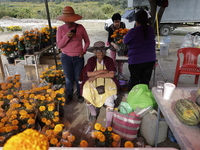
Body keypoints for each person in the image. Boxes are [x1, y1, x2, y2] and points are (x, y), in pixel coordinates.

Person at [56, 6, 90, 104]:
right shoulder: (61, 29)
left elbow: (87, 41)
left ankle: (79, 95)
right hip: (65, 57)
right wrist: (66, 36)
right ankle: (69, 95)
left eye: (70, 19)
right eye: (66, 20)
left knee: (78, 77)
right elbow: (59, 45)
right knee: (68, 78)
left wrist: (83, 51)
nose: (68, 21)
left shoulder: (80, 27)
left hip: (78, 57)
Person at [80, 41, 118, 127]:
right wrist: (103, 71)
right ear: (94, 52)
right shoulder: (91, 60)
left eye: (102, 50)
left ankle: (108, 125)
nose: (100, 53)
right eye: (97, 50)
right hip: (92, 81)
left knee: (110, 100)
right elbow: (89, 74)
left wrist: (96, 76)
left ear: (105, 51)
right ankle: (93, 113)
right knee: (86, 93)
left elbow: (111, 74)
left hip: (107, 81)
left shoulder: (109, 60)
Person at [123, 10, 156, 90]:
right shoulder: (151, 29)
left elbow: (125, 41)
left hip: (135, 61)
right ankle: (143, 99)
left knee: (135, 82)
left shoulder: (133, 31)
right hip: (149, 60)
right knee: (145, 82)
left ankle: (134, 99)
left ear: (136, 21)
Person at [107, 13, 126, 79]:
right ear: (113, 22)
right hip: (113, 46)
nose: (117, 23)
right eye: (115, 22)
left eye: (118, 22)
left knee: (120, 61)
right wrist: (114, 44)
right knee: (113, 60)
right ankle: (114, 73)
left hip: (121, 46)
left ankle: (120, 73)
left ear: (120, 21)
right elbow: (109, 40)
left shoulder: (123, 25)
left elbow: (125, 33)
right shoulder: (110, 28)